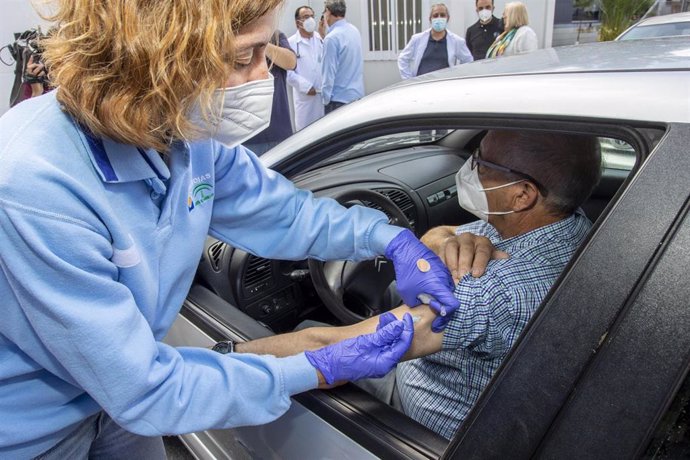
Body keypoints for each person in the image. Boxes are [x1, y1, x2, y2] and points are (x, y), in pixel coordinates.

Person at [0, 0, 462, 457]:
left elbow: (288, 214)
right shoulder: (36, 183)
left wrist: (390, 239)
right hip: (37, 426)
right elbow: (147, 390)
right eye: (244, 57)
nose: (265, 75)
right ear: (156, 58)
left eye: (268, 52)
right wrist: (314, 367)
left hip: (123, 406)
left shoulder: (184, 135)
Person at [234, 129, 602, 439]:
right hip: (486, 395)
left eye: (482, 163)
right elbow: (441, 235)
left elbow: (333, 346)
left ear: (521, 194)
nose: (469, 167)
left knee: (304, 330)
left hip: (422, 418)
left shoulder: (488, 288)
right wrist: (443, 240)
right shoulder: (568, 226)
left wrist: (224, 356)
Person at [243, 30, 296, 155]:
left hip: (278, 131)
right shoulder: (236, 38)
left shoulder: (276, 36)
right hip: (247, 135)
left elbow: (291, 62)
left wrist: (261, 43)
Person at [397, 3, 473, 80]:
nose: (439, 18)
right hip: (421, 86)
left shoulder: (457, 41)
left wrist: (458, 77)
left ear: (448, 18)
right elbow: (403, 58)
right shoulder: (417, 39)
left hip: (444, 86)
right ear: (430, 19)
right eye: (435, 15)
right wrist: (408, 80)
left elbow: (468, 61)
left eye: (442, 15)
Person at [320, 0, 364, 114]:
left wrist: (325, 100)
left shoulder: (331, 39)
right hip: (357, 97)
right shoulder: (354, 30)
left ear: (328, 12)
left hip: (338, 102)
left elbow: (328, 74)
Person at [287, 6, 325, 131]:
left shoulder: (320, 39)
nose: (310, 20)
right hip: (305, 99)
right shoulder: (291, 43)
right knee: (305, 135)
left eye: (312, 16)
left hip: (322, 98)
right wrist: (306, 87)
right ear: (298, 22)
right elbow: (288, 73)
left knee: (324, 132)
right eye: (306, 17)